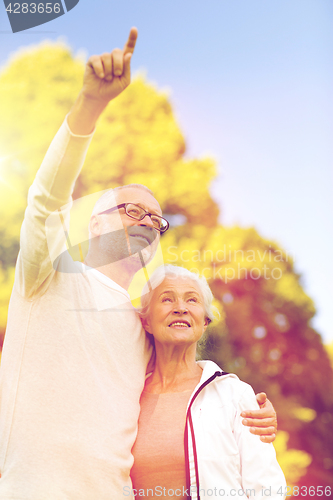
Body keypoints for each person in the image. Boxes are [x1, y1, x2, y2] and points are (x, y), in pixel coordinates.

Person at [0, 29, 277, 499]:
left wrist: (249, 411)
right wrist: (90, 103)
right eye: (132, 210)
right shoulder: (45, 276)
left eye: (157, 218)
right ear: (92, 225)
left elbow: (183, 385)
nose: (148, 222)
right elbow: (47, 199)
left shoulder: (143, 326)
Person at [131, 265, 286, 499]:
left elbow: (267, 490)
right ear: (146, 322)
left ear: (204, 322)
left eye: (191, 300)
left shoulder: (235, 395)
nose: (180, 308)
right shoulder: (127, 398)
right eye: (167, 299)